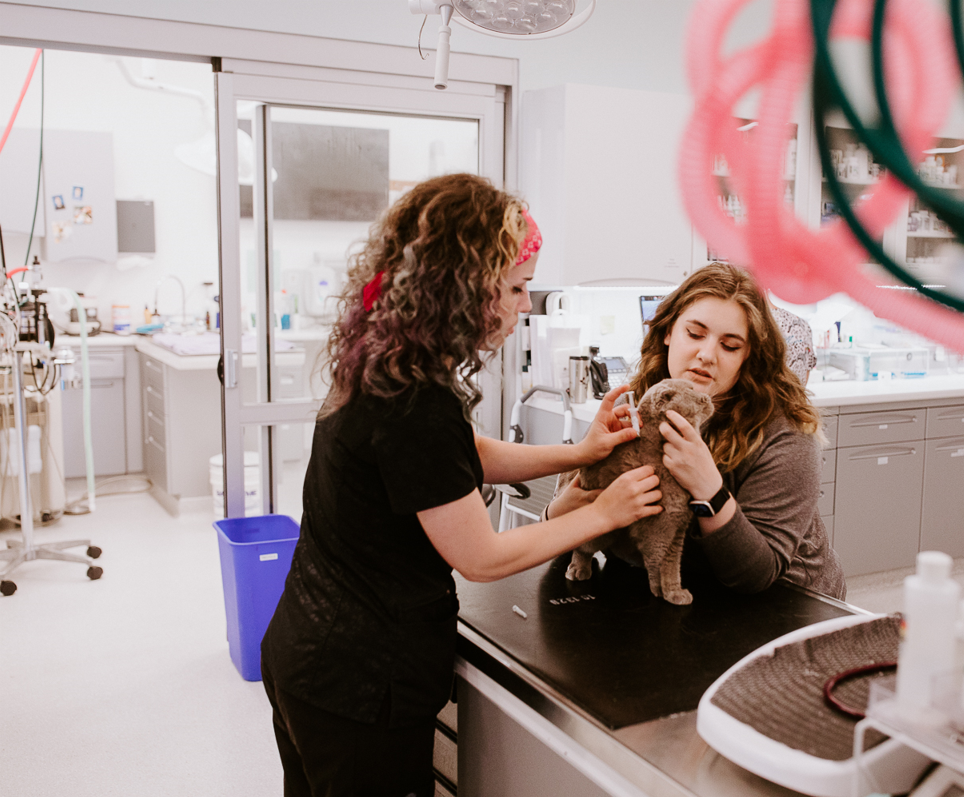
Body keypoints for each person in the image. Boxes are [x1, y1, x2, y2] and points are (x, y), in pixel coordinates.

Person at [259, 173, 661, 797]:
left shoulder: (385, 355)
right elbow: (481, 556)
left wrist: (579, 452)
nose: (525, 306)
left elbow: (464, 455)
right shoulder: (417, 398)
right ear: (466, 287)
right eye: (517, 288)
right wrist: (603, 512)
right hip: (359, 682)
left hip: (306, 651)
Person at [546, 263, 845, 600]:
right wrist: (558, 513)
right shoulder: (638, 407)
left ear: (750, 355)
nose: (706, 355)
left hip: (787, 606)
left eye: (730, 346)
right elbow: (568, 526)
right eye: (695, 333)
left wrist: (707, 487)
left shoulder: (785, 435)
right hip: (676, 598)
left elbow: (755, 576)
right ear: (668, 331)